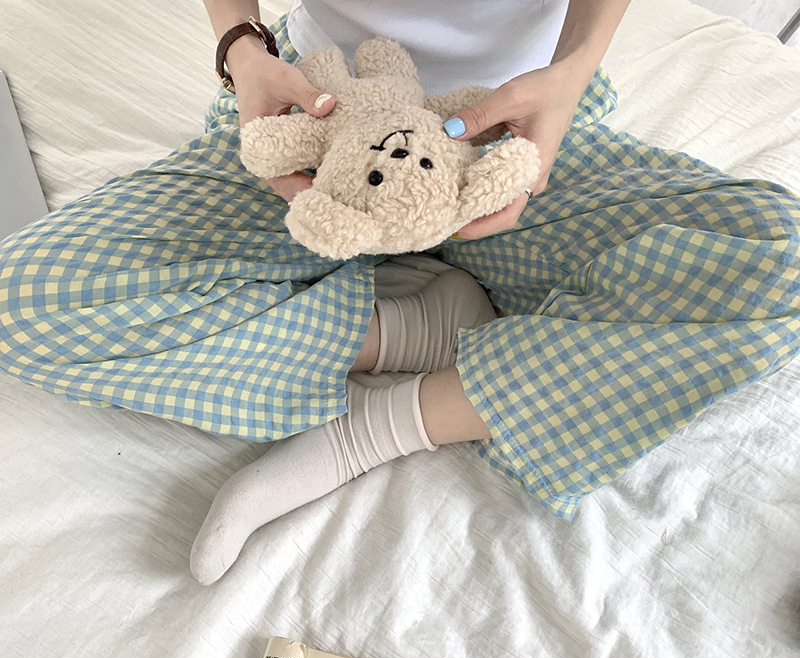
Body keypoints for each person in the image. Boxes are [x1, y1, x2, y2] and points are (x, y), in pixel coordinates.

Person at [1, 0, 799, 584]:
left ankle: (370, 432)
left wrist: (574, 70)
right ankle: (415, 334)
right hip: (318, 123)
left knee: (782, 263)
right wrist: (241, 47)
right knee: (24, 301)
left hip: (512, 127)